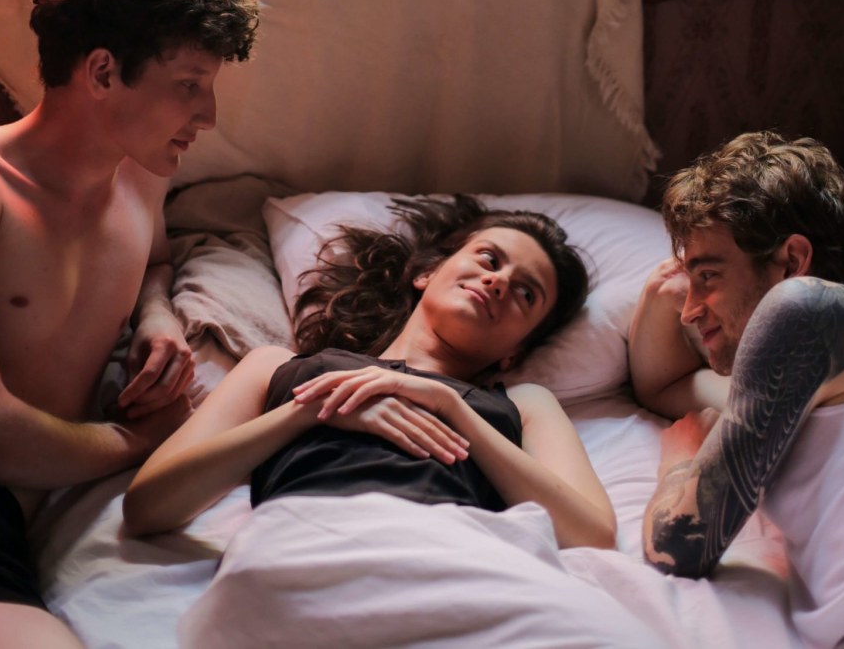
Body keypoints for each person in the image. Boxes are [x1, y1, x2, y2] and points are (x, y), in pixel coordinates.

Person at [0, 0, 261, 649]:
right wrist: (137, 440)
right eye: (190, 85)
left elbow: (156, 265)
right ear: (103, 72)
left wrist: (157, 317)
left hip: (10, 521)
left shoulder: (142, 179)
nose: (209, 115)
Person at [123, 195, 617, 557]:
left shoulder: (523, 404)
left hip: (456, 563)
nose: (499, 281)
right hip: (299, 554)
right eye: (489, 259)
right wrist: (309, 412)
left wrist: (453, 409)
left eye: (527, 293)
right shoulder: (279, 368)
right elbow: (148, 507)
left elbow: (592, 536)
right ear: (427, 273)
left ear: (515, 352)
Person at [630, 132, 844, 648]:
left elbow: (678, 545)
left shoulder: (808, 308)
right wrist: (660, 290)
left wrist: (678, 462)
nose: (689, 311)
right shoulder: (799, 382)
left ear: (792, 262)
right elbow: (665, 386)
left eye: (709, 276)